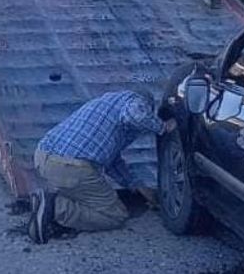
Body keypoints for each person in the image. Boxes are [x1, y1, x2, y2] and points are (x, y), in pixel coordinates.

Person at [28, 89, 177, 244]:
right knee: (115, 215)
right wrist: (163, 127)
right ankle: (56, 207)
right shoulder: (135, 101)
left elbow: (112, 162)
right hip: (70, 167)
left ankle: (45, 202)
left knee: (86, 197)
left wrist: (137, 186)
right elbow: (135, 115)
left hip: (43, 157)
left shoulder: (106, 104)